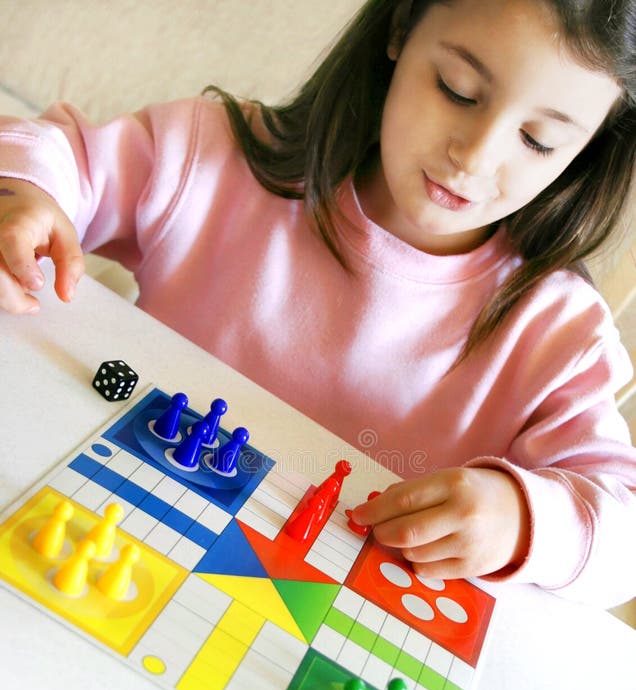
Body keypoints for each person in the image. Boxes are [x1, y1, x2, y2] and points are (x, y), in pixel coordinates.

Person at [0, 0, 634, 604]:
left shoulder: (560, 334)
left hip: (298, 636)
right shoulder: (218, 156)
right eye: (457, 89)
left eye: (539, 139)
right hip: (97, 531)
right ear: (401, 28)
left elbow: (622, 538)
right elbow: (56, 154)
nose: (473, 156)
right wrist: (24, 196)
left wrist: (523, 521)